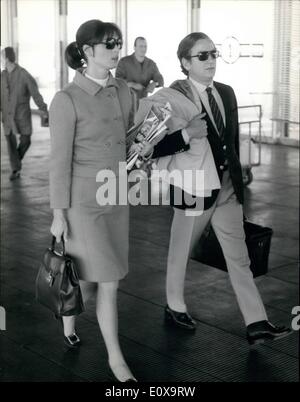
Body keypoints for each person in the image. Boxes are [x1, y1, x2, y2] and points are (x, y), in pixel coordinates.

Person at [49, 19, 188, 383]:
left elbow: (127, 141)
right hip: (82, 205)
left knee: (94, 277)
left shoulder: (123, 92)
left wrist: (140, 149)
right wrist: (58, 215)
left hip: (116, 196)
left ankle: (70, 322)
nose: (115, 50)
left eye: (117, 43)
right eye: (108, 44)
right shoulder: (66, 100)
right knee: (102, 279)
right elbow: (59, 162)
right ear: (86, 51)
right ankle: (115, 359)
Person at [146, 32, 292, 345]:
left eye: (213, 54)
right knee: (180, 251)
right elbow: (150, 147)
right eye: (202, 56)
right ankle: (174, 305)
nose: (211, 60)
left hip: (226, 186)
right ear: (185, 62)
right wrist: (185, 135)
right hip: (193, 187)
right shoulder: (170, 98)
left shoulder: (225, 92)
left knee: (239, 257)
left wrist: (237, 177)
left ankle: (257, 322)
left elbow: (230, 141)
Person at [1, 47, 48, 180]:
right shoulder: (2, 76)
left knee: (26, 140)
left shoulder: (23, 74)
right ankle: (15, 169)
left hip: (21, 115)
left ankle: (16, 161)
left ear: (7, 58)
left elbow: (35, 93)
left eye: (1, 57)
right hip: (7, 116)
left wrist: (43, 109)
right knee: (10, 143)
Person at [116, 37, 164, 102]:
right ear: (134, 47)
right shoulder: (124, 62)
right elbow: (117, 81)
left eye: (145, 46)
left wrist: (154, 84)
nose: (143, 49)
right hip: (125, 102)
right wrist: (132, 84)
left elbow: (160, 79)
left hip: (143, 102)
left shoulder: (151, 64)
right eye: (141, 46)